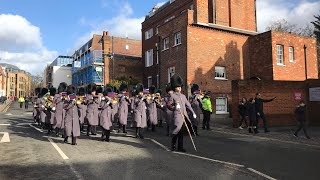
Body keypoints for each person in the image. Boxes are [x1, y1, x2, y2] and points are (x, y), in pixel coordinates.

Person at [167, 74, 196, 152]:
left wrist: (193, 112)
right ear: (174, 87)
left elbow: (188, 105)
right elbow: (169, 106)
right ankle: (173, 145)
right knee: (176, 131)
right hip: (177, 116)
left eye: (179, 87)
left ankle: (180, 147)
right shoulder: (172, 96)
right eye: (177, 87)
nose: (179, 89)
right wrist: (175, 107)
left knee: (181, 133)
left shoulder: (183, 96)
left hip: (184, 116)